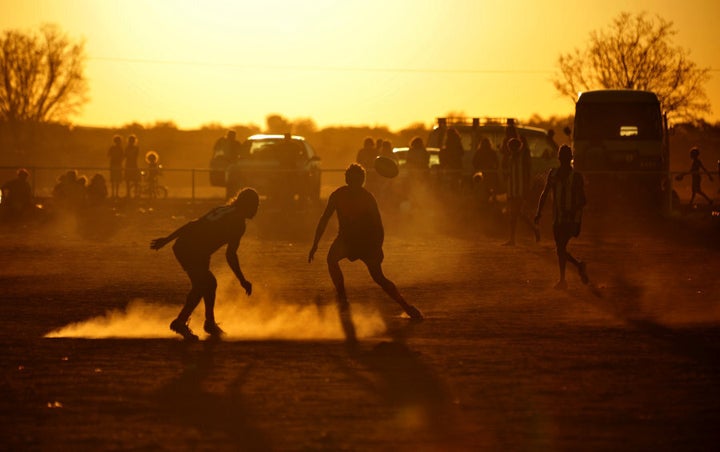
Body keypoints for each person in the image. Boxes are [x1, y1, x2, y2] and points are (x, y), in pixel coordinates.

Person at [308, 164, 423, 347]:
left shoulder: (367, 198)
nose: (354, 183)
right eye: (351, 179)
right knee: (331, 260)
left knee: (379, 278)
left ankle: (406, 307)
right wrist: (315, 243)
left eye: (357, 180)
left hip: (366, 242)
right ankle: (342, 298)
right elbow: (324, 219)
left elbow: (379, 226)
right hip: (345, 240)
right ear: (347, 179)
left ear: (362, 181)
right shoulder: (338, 195)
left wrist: (378, 247)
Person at [150, 188, 260, 340]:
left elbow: (191, 224)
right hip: (191, 249)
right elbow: (230, 255)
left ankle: (209, 323)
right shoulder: (238, 223)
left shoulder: (223, 209)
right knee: (203, 284)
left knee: (209, 283)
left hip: (192, 249)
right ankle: (181, 322)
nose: (256, 209)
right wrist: (242, 280)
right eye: (255, 205)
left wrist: (167, 240)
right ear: (247, 205)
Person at [534, 145, 588, 290]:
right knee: (560, 249)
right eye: (562, 158)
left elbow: (583, 200)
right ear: (560, 159)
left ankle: (565, 278)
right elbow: (544, 193)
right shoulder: (553, 174)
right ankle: (576, 268)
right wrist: (538, 212)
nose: (564, 160)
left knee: (561, 247)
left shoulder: (576, 177)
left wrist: (571, 212)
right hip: (557, 218)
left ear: (569, 159)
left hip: (572, 220)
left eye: (566, 158)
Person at [504, 137, 540, 246]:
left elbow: (527, 175)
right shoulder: (511, 159)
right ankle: (534, 230)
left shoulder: (522, 160)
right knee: (517, 214)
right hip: (512, 191)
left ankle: (513, 239)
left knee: (515, 214)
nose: (510, 149)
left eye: (511, 147)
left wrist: (526, 190)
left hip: (519, 191)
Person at [472, 137, 499, 203]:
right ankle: (491, 199)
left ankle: (482, 200)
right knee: (491, 187)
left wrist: (477, 168)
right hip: (490, 173)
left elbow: (474, 162)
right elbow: (497, 163)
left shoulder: (479, 152)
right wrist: (494, 168)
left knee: (482, 187)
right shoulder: (492, 152)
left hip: (482, 173)